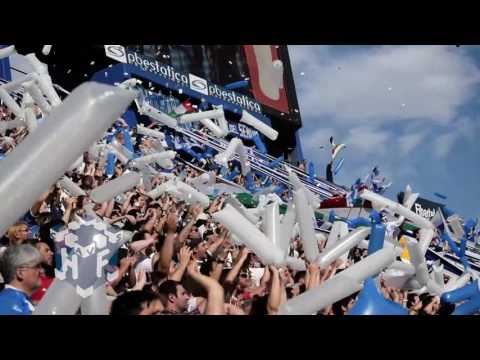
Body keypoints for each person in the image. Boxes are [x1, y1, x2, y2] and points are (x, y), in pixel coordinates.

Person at [0, 244, 43, 315]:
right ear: (20, 273)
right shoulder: (11, 306)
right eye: (37, 266)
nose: (41, 271)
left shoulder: (14, 301)